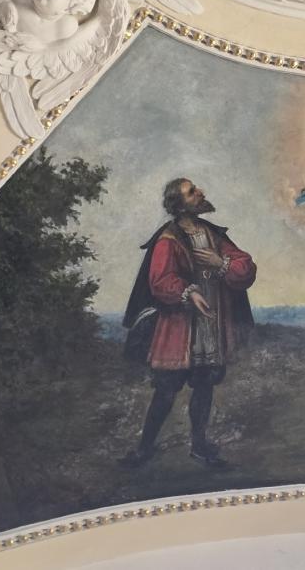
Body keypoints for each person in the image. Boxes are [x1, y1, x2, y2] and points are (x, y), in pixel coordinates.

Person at [120, 178, 257, 467]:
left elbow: (245, 266)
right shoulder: (169, 238)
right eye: (192, 192)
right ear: (180, 204)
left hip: (210, 328)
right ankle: (144, 449)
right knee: (166, 390)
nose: (201, 192)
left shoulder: (212, 234)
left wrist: (221, 264)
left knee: (205, 386)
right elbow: (160, 280)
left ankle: (199, 445)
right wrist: (189, 292)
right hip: (179, 330)